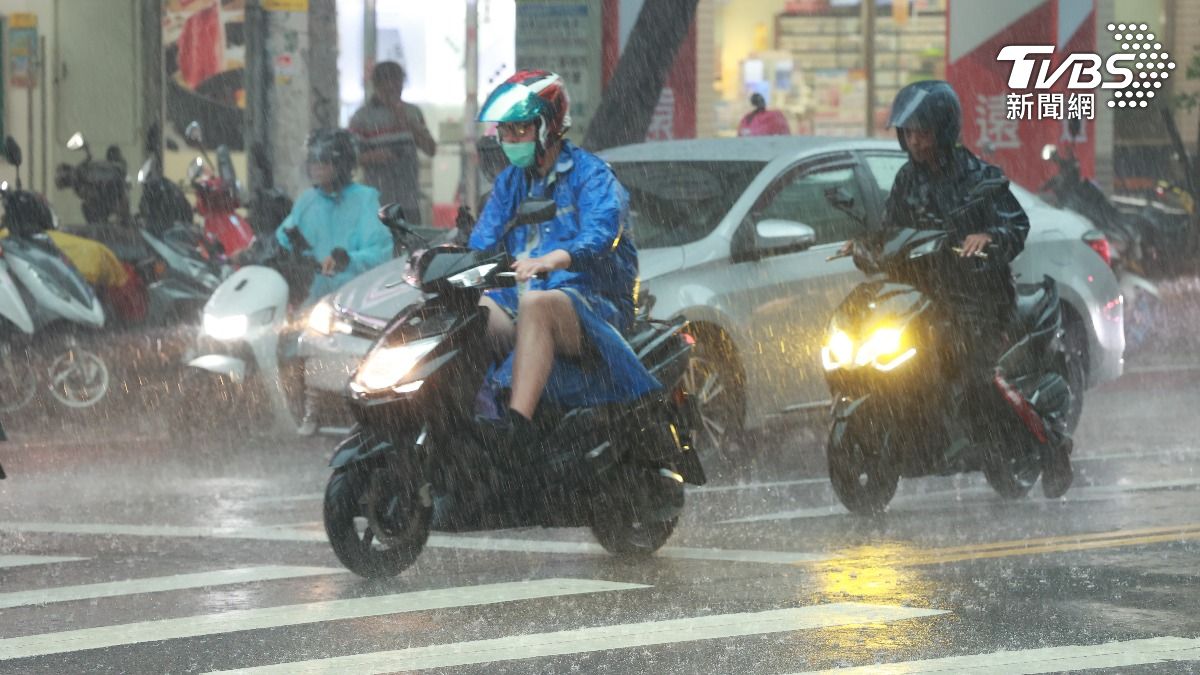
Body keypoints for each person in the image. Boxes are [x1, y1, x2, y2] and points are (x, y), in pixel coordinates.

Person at [853, 79, 1072, 497]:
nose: (915, 141)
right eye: (909, 132)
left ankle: (1052, 445)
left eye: (923, 131)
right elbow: (889, 230)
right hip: (925, 299)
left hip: (981, 302)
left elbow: (1016, 224)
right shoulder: (906, 179)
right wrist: (866, 245)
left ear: (944, 130)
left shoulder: (979, 176)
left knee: (976, 381)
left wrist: (989, 238)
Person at [468, 70, 660, 458]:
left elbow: (603, 230)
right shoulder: (510, 183)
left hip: (591, 306)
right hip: (516, 304)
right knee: (467, 311)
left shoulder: (592, 174)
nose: (509, 141)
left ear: (547, 127)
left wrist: (554, 259)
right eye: (504, 131)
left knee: (539, 304)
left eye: (519, 130)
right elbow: (481, 243)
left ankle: (515, 433)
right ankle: (464, 425)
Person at [275, 128, 393, 435]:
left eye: (323, 161)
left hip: (355, 298)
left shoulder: (366, 200)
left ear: (341, 164)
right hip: (315, 294)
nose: (315, 167)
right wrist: (286, 243)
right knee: (293, 338)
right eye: (312, 161)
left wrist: (347, 259)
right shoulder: (307, 201)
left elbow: (380, 250)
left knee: (328, 341)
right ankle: (305, 406)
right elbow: (285, 233)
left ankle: (323, 410)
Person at [349, 61, 437, 226]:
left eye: (398, 86)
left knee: (412, 246)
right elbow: (350, 157)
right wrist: (376, 156)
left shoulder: (413, 112)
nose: (393, 91)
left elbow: (431, 149)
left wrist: (409, 124)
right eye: (387, 87)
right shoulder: (362, 118)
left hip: (409, 200)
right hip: (377, 200)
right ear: (377, 86)